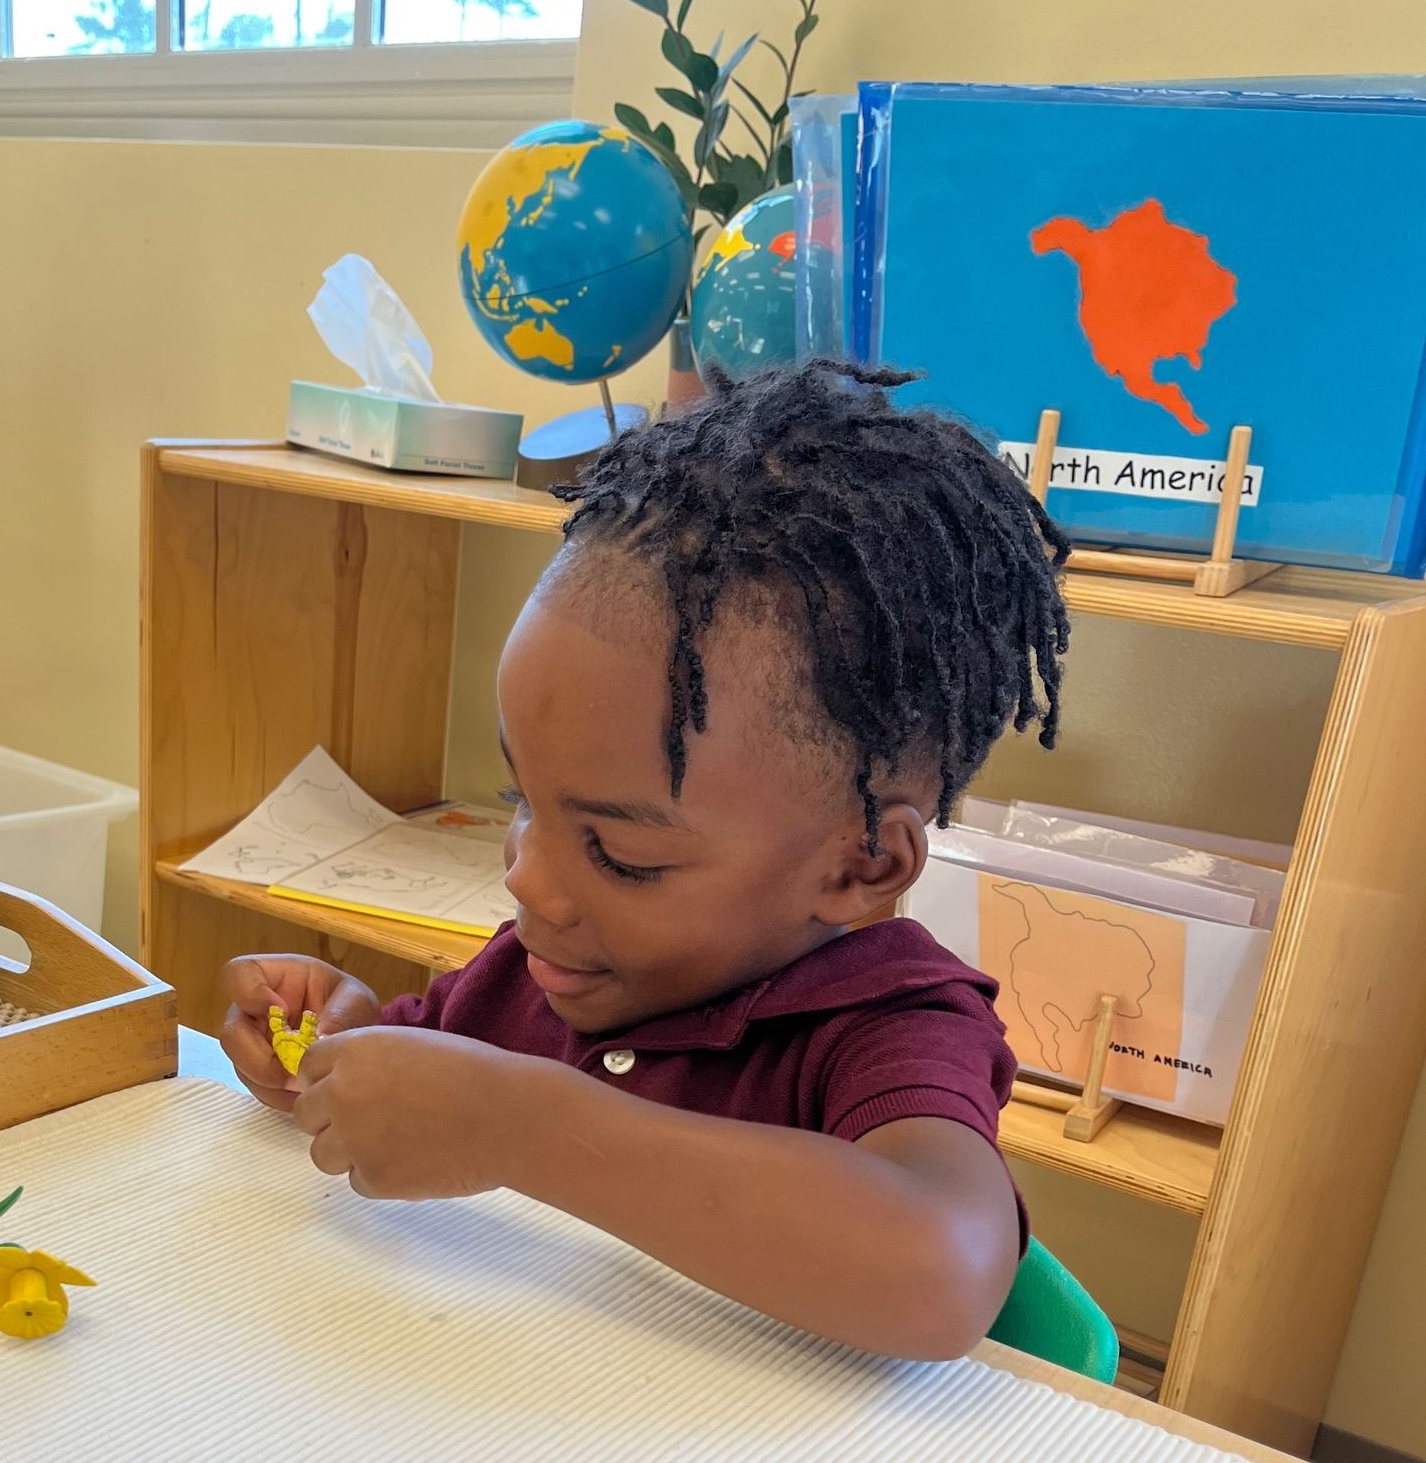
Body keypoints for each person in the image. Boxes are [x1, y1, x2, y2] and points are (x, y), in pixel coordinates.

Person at [218, 361, 1069, 1361]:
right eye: (522, 802)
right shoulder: (525, 978)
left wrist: (521, 1128)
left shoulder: (890, 1025)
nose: (527, 880)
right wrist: (344, 1052)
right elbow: (436, 1099)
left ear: (863, 865)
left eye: (619, 855)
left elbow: (940, 1271)